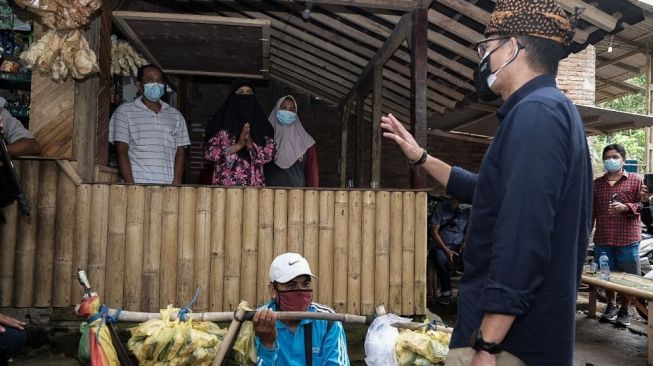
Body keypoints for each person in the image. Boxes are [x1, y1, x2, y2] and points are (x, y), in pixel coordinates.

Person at [381, 0, 591, 365]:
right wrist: (420, 157)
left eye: (486, 47)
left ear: (512, 47)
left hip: (513, 345)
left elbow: (524, 239)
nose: (484, 59)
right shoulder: (549, 110)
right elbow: (488, 192)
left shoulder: (536, 115)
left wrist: (489, 343)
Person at [252, 252, 350, 365]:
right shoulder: (259, 321)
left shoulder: (328, 320)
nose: (300, 291)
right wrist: (267, 344)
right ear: (273, 291)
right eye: (290, 285)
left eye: (306, 284)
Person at [109, 64, 190, 184]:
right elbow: (122, 151)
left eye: (159, 81)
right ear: (139, 86)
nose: (155, 84)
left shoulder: (176, 116)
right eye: (150, 80)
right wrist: (131, 185)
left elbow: (180, 152)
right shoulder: (124, 112)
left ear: (164, 85)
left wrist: (176, 184)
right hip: (136, 186)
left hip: (167, 187)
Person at [593, 144, 642, 326]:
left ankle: (624, 310)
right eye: (607, 157)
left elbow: (643, 207)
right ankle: (611, 306)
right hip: (603, 239)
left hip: (627, 239)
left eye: (614, 156)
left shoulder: (636, 181)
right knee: (606, 276)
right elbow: (591, 212)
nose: (610, 160)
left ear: (623, 159)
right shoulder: (596, 184)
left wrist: (627, 207)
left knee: (627, 278)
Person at [203, 79, 276, 187]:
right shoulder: (218, 124)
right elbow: (209, 154)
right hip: (224, 189)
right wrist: (238, 145)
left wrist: (250, 144)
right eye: (240, 92)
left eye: (249, 93)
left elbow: (270, 155)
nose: (245, 96)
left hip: (253, 189)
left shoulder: (263, 126)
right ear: (232, 96)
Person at [264, 95, 319, 187]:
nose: (287, 112)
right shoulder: (264, 138)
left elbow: (312, 172)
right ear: (276, 110)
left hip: (298, 195)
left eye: (292, 110)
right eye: (283, 108)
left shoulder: (306, 142)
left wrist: (313, 195)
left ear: (296, 113)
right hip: (268, 196)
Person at [429, 198, 470, 305]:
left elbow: (468, 232)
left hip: (458, 246)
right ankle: (446, 292)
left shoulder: (469, 210)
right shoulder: (441, 207)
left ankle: (464, 292)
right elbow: (434, 232)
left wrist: (464, 244)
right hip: (441, 246)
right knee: (440, 257)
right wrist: (446, 250)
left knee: (471, 257)